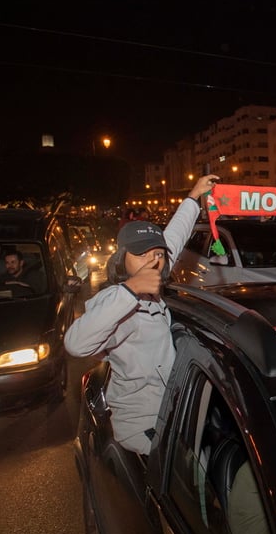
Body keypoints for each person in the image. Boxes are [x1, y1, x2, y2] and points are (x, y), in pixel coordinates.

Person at [64, 175, 217, 455]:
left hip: (173, 417)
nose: (153, 259)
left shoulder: (151, 289)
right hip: (145, 431)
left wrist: (193, 197)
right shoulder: (117, 299)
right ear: (123, 257)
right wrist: (130, 291)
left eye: (158, 254)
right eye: (141, 253)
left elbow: (172, 238)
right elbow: (75, 343)